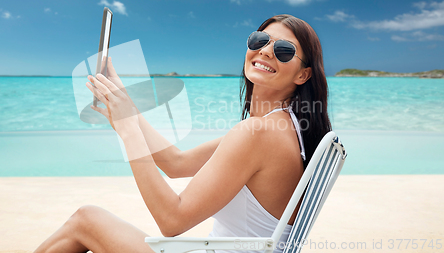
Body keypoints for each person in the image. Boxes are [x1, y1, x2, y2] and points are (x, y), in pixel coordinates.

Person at [34, 14, 332, 253]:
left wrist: (128, 132)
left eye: (284, 51)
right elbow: (176, 163)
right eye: (260, 39)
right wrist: (128, 108)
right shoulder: (282, 126)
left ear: (303, 74)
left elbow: (171, 220)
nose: (266, 50)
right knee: (88, 220)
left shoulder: (258, 131)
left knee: (87, 220)